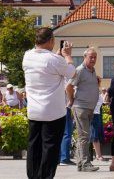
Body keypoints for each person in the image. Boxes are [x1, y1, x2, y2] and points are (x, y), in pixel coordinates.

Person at [23, 27, 76, 179]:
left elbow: (46, 64)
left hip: (34, 110)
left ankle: (33, 176)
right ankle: (45, 176)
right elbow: (72, 72)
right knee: (50, 148)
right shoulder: (55, 60)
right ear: (51, 40)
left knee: (34, 146)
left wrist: (58, 57)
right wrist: (68, 56)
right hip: (52, 111)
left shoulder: (27, 56)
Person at [67, 47, 101, 172]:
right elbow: (69, 86)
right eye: (91, 57)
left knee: (84, 136)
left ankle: (81, 164)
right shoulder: (80, 70)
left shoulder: (92, 70)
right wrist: (71, 100)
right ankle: (85, 164)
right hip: (81, 107)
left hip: (89, 108)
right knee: (84, 136)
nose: (93, 59)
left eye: (95, 57)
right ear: (84, 57)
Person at [91, 87, 106, 162]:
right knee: (95, 134)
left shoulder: (97, 91)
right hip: (94, 113)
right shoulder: (91, 90)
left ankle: (99, 154)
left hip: (98, 112)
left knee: (98, 133)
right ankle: (98, 155)